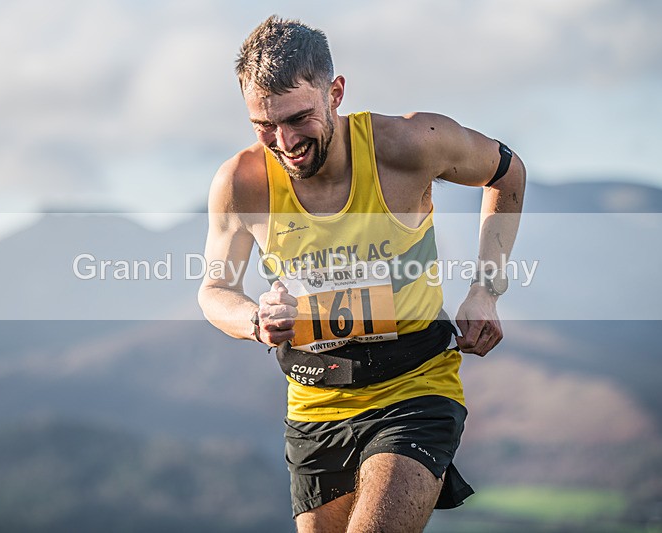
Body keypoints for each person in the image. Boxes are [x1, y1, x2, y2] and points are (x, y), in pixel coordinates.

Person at [198, 15, 525, 533]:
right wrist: (256, 321)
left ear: (336, 93)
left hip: (414, 387)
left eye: (299, 117)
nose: (284, 142)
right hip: (315, 402)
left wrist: (486, 289)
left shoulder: (410, 144)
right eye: (264, 126)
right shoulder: (242, 182)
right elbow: (215, 290)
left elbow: (507, 173)